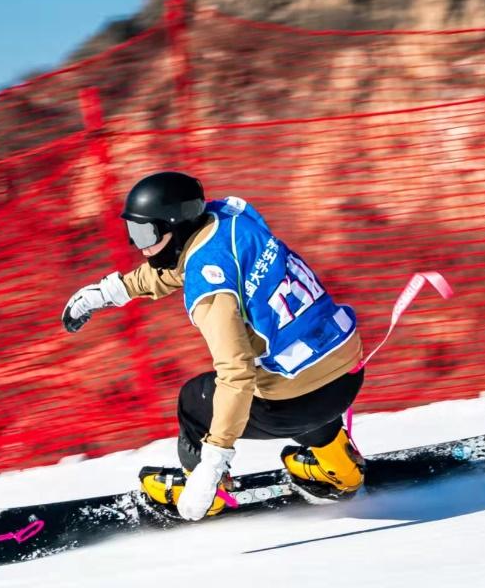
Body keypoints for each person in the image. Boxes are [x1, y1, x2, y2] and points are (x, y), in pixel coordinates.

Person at [61, 171, 365, 521]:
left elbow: (236, 374)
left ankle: (209, 491)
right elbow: (182, 264)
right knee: (290, 370)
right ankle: (338, 465)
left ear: (176, 226)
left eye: (147, 233)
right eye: (133, 232)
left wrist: (212, 462)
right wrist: (111, 291)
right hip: (346, 370)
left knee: (196, 400)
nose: (140, 246)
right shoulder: (231, 221)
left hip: (298, 402)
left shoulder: (210, 291)